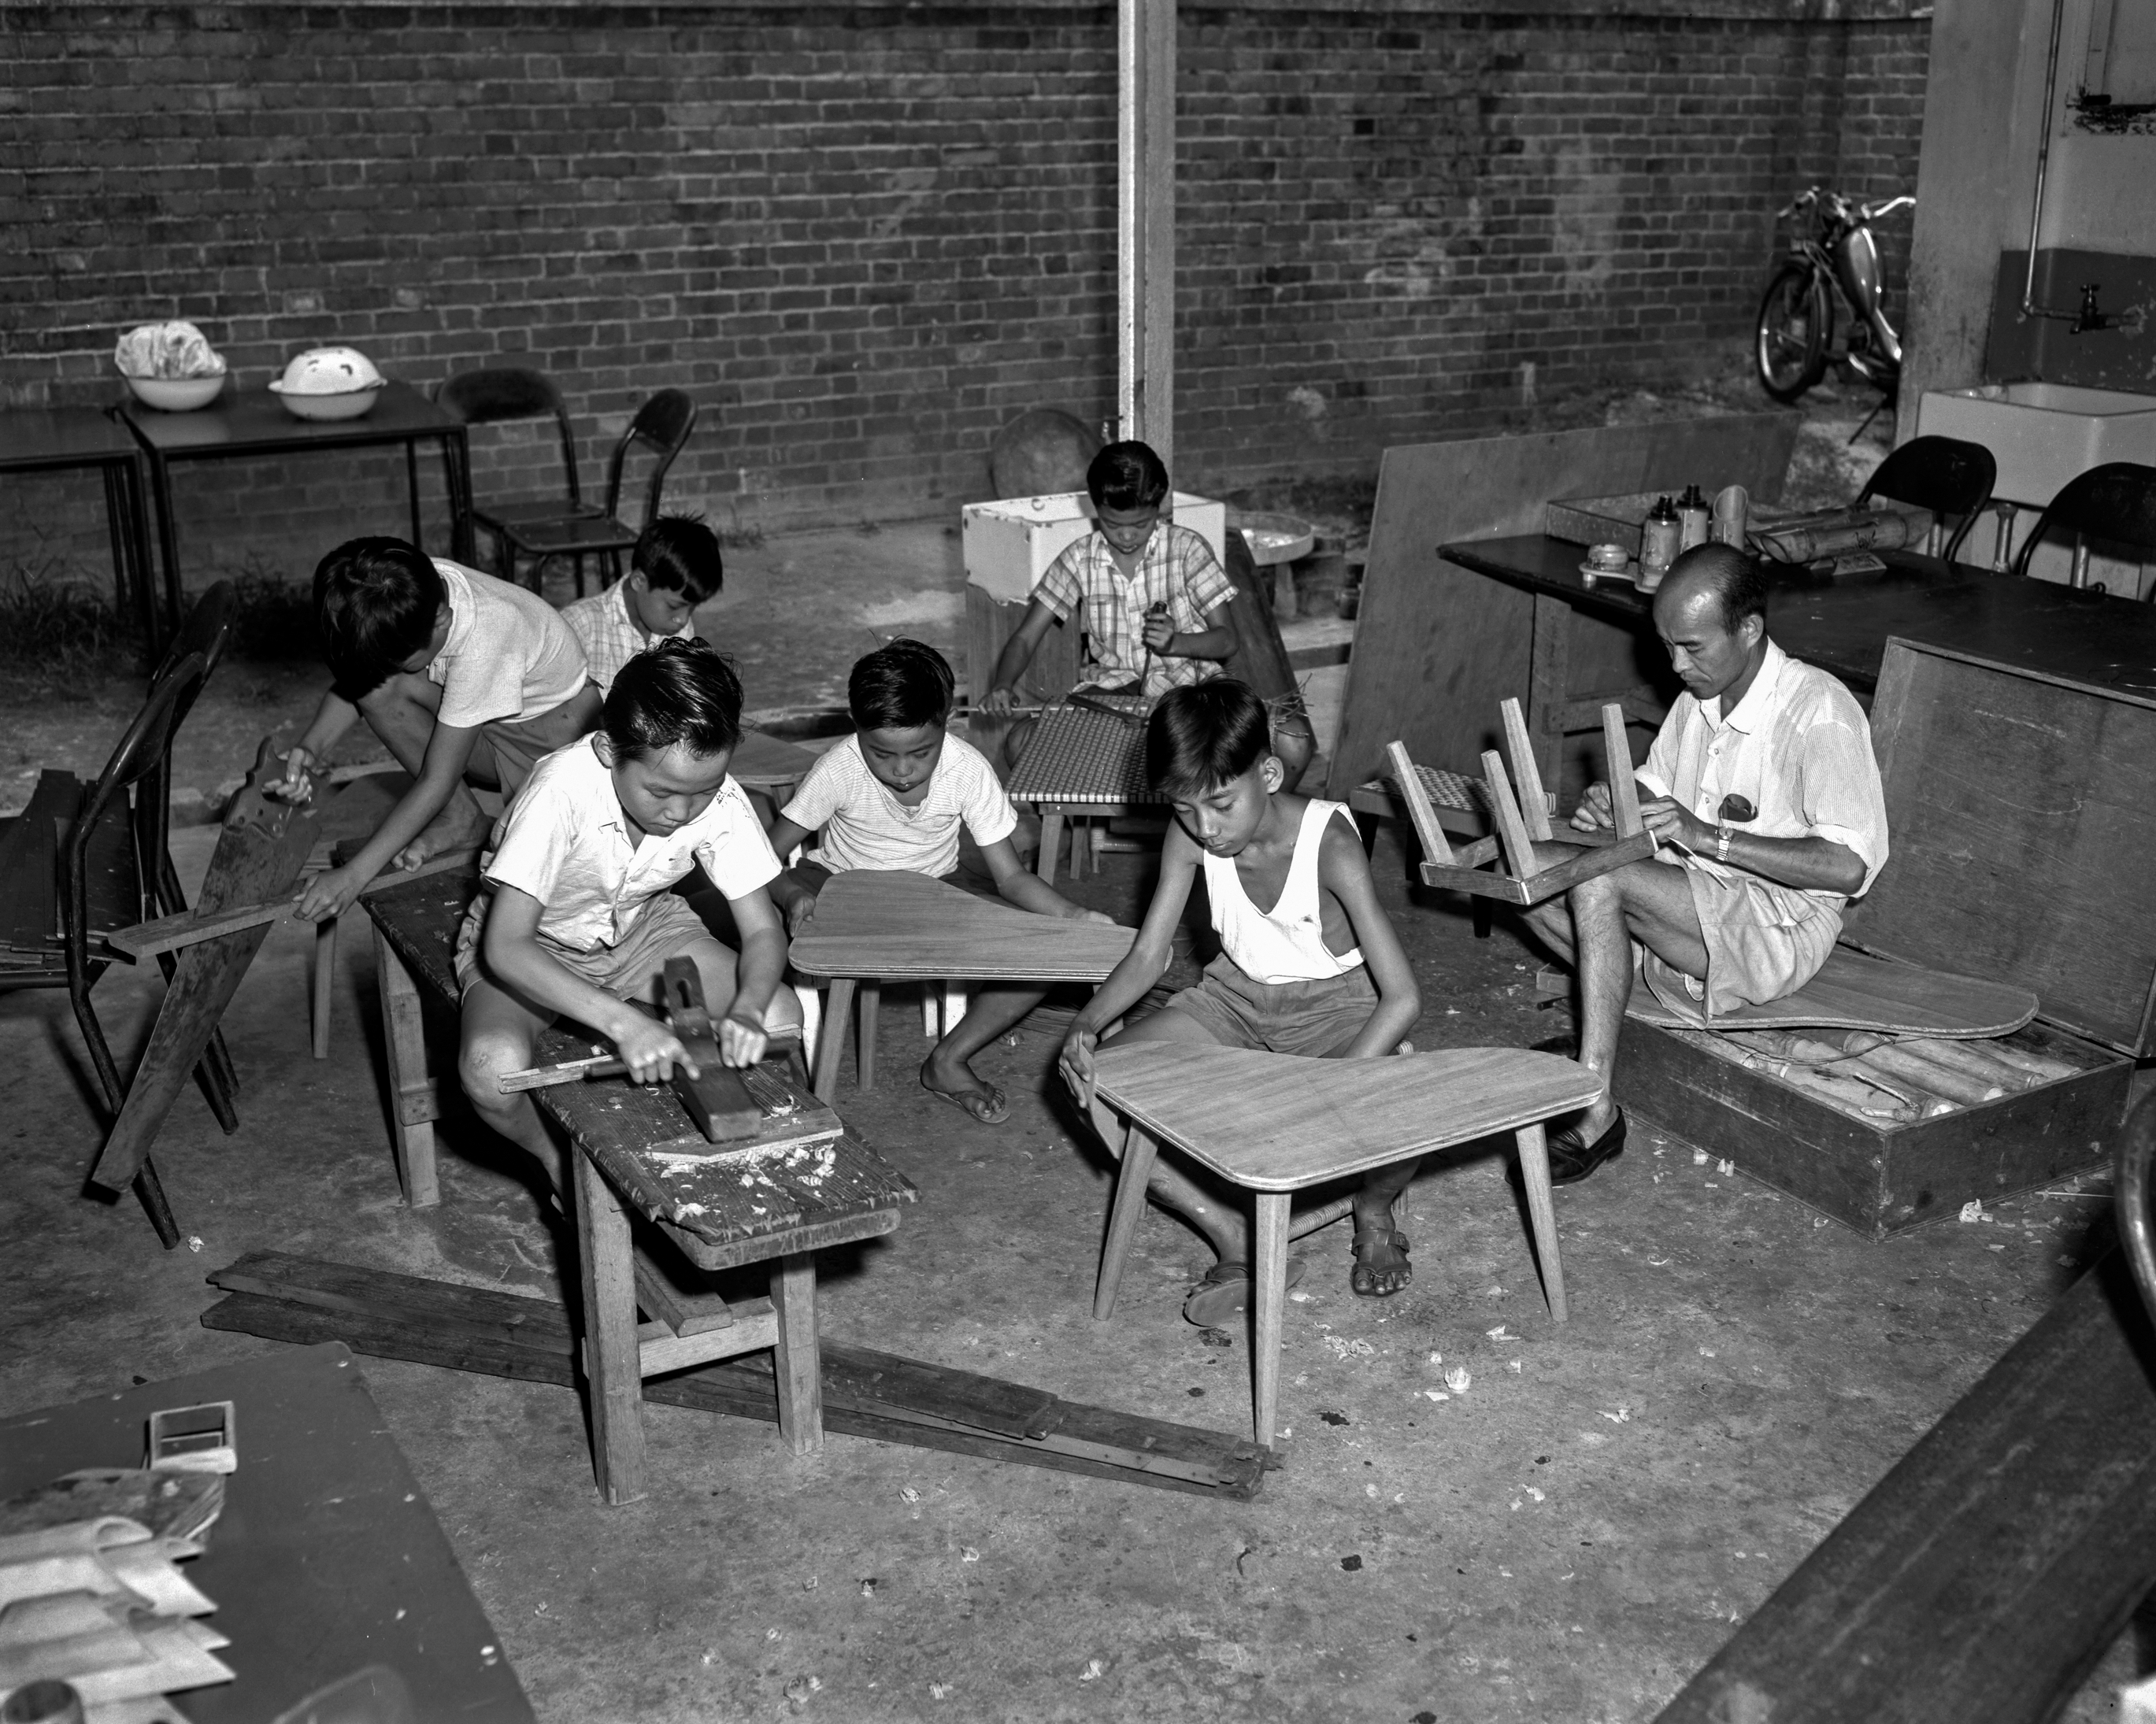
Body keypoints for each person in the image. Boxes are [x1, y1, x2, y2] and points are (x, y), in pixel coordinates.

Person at [1057, 679, 1423, 1324]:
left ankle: (1373, 1210)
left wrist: (1327, 1084)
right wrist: (1087, 1026)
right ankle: (1231, 1232)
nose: (1205, 828)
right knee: (1098, 1083)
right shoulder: (1191, 835)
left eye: (1221, 804)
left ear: (1270, 771)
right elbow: (1150, 956)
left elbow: (1401, 998)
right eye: (1184, 809)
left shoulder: (1330, 845)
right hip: (1231, 998)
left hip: (1337, 1009)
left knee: (1403, 1111)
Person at [1521, 542, 1888, 1183]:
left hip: (1782, 923)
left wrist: (1708, 837)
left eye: (1692, 646)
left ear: (1749, 629)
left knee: (1599, 879)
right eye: (1667, 646)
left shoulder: (1818, 712)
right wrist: (1618, 801)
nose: (1675, 664)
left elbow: (1846, 869)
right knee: (1526, 865)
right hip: (1699, 895)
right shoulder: (1701, 697)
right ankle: (1608, 1010)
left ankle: (1596, 1106)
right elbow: (1656, 788)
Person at [454, 638, 800, 1193]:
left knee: (781, 1015)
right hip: (536, 946)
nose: (682, 812)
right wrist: (625, 1024)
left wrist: (750, 1011)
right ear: (608, 750)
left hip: (643, 930)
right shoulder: (560, 791)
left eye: (704, 791)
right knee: (490, 1071)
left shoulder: (722, 799)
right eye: (662, 792)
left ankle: (741, 1170)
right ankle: (560, 1166)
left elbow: (763, 929)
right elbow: (505, 947)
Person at [766, 638, 1116, 1124]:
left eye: (921, 752)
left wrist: (1075, 916)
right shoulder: (839, 767)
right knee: (739, 917)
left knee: (1047, 958)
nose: (903, 771)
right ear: (857, 729)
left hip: (936, 887)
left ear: (947, 722)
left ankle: (948, 1059)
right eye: (881, 754)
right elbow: (762, 858)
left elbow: (1011, 877)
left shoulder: (968, 770)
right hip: (840, 884)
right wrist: (791, 894)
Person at [285, 538, 599, 921]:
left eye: (397, 659)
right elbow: (361, 680)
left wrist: (353, 877)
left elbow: (438, 778)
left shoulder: (484, 636)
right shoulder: (406, 586)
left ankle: (466, 817)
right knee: (380, 686)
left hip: (552, 745)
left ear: (442, 621)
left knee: (538, 868)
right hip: (498, 718)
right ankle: (462, 819)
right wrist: (309, 749)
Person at [980, 440, 1239, 712]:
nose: (1127, 536)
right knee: (1022, 741)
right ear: (1094, 509)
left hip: (1190, 689)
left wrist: (1176, 643)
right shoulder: (1079, 558)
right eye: (1112, 524)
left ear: (1157, 509)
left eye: (1141, 524)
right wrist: (1003, 685)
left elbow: (1228, 640)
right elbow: (1025, 638)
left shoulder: (1187, 549)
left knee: (1176, 745)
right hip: (1113, 690)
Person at [560, 514, 724, 695]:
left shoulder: (679, 631)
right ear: (639, 581)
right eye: (674, 606)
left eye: (692, 608)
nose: (683, 620)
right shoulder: (579, 626)